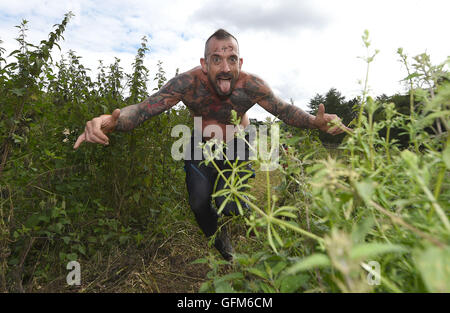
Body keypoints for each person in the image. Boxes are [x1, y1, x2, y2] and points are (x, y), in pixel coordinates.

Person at [73, 29, 351, 260]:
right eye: (216, 59)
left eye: (231, 59)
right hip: (198, 144)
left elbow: (285, 111)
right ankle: (222, 245)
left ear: (240, 62)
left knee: (228, 202)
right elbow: (145, 108)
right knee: (199, 203)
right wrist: (111, 120)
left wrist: (315, 122)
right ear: (205, 64)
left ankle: (235, 214)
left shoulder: (252, 86)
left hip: (238, 144)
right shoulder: (188, 83)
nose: (225, 67)